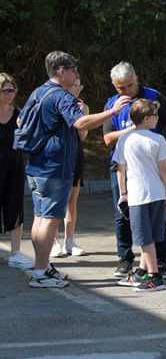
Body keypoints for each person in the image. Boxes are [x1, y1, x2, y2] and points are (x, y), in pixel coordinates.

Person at [16, 51, 130, 288]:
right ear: (61, 72)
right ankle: (40, 273)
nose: (77, 74)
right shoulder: (62, 96)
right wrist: (112, 112)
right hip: (54, 167)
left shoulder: (39, 91)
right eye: (73, 70)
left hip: (37, 165)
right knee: (50, 219)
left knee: (40, 218)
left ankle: (42, 266)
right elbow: (81, 122)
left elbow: (21, 121)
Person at [103, 61, 166, 279]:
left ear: (136, 79)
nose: (126, 91)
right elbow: (108, 138)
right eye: (120, 87)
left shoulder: (154, 97)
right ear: (114, 86)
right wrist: (133, 130)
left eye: (129, 85)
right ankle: (125, 259)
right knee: (124, 213)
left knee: (156, 215)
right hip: (124, 167)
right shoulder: (113, 104)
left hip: (152, 167)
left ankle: (160, 261)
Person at [113, 99, 166, 292]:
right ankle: (143, 272)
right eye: (155, 116)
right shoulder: (158, 139)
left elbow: (120, 170)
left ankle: (154, 276)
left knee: (144, 238)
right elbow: (164, 169)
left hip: (138, 195)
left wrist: (123, 193)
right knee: (150, 237)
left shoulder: (124, 140)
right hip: (156, 193)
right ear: (146, 118)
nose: (157, 119)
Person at [52, 78, 89, 258]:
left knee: (71, 201)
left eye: (80, 86)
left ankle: (69, 241)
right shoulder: (57, 103)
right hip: (58, 157)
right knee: (55, 201)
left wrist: (83, 115)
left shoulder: (82, 107)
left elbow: (82, 136)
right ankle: (53, 241)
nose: (78, 89)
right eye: (75, 86)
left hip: (76, 155)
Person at [0, 73, 34, 271]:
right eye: (6, 90)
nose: (11, 94)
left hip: (14, 167)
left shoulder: (19, 114)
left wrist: (25, 128)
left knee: (15, 208)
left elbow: (28, 140)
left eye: (13, 90)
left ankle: (15, 253)